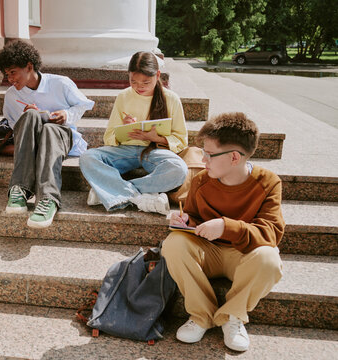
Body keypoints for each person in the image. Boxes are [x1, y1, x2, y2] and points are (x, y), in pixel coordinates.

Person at [162, 112, 284, 352]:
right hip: (208, 252)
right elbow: (195, 216)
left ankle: (231, 317)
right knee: (173, 244)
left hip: (244, 256)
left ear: (234, 157)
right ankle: (201, 316)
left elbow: (271, 233)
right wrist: (185, 219)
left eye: (208, 154)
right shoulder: (201, 180)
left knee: (270, 260)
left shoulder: (268, 182)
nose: (203, 159)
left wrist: (225, 226)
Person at [0, 40, 94, 228]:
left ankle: (48, 199)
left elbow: (83, 105)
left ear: (29, 66)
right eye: (7, 75)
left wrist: (66, 114)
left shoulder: (60, 83)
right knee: (31, 115)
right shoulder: (11, 95)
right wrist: (31, 117)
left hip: (61, 137)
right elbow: (17, 128)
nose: (10, 79)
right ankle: (20, 189)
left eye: (13, 72)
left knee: (50, 129)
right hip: (32, 143)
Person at [79, 51, 188, 213]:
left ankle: (111, 191)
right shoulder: (123, 96)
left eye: (145, 82)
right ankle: (138, 197)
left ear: (158, 75)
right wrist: (123, 129)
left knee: (179, 169)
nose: (139, 87)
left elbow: (181, 139)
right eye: (133, 81)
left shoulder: (171, 98)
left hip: (155, 151)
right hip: (124, 150)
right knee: (87, 157)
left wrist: (156, 138)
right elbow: (108, 137)